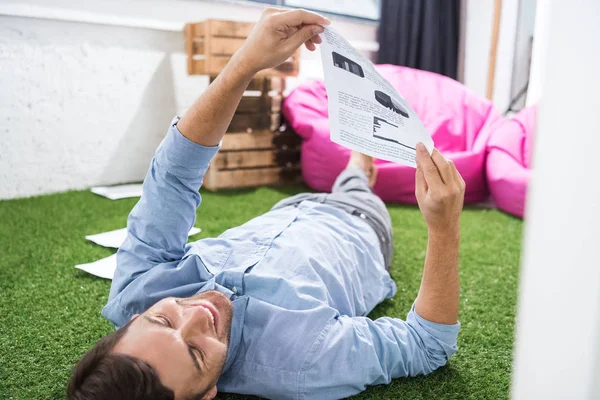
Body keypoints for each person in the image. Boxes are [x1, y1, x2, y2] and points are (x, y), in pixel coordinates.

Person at [68, 7, 465, 400]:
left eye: (163, 318)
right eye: (195, 351)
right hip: (357, 223)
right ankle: (358, 167)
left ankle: (356, 162)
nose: (197, 314)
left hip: (286, 210)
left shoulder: (135, 291)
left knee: (331, 176)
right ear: (207, 394)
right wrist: (444, 228)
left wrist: (247, 61)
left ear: (134, 319)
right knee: (352, 185)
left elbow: (173, 176)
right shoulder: (305, 363)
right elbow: (427, 344)